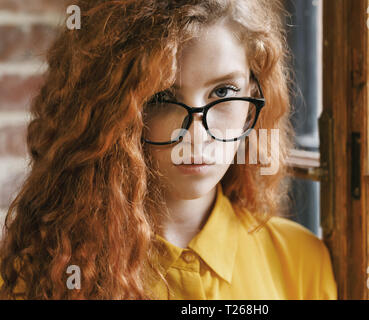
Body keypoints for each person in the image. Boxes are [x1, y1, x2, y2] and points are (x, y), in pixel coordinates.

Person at [0, 0, 337, 299]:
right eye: (163, 98)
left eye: (222, 93)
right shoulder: (48, 273)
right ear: (112, 113)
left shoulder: (300, 261)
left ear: (252, 96)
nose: (196, 133)